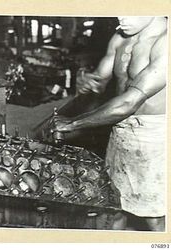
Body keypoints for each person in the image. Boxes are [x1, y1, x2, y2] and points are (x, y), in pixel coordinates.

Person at [48, 17, 167, 231]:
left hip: (152, 136)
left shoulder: (164, 42)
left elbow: (130, 101)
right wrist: (87, 80)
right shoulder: (121, 36)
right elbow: (99, 83)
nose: (120, 16)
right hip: (119, 128)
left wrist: (73, 124)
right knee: (114, 203)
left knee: (154, 215)